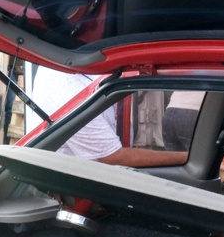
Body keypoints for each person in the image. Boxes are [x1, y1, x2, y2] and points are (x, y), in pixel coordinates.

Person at [31, 66, 186, 166]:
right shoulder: (63, 88)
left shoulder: (84, 66)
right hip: (78, 192)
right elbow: (113, 156)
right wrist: (188, 158)